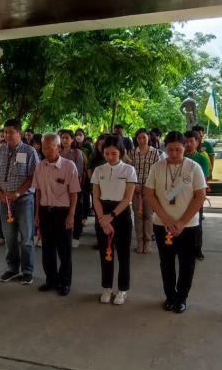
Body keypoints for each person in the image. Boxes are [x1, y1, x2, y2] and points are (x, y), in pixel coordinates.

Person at [144, 131, 207, 313]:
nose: (173, 154)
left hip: (188, 226)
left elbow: (200, 196)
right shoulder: (157, 167)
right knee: (166, 262)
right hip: (162, 224)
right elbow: (149, 193)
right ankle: (170, 296)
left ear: (184, 147)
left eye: (178, 150)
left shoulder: (194, 167)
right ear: (165, 148)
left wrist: (181, 223)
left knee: (187, 263)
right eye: (170, 150)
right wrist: (165, 219)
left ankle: (182, 297)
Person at [0, 118, 40, 284]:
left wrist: (17, 193)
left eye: (11, 132)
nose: (7, 135)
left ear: (19, 133)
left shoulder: (29, 151)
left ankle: (27, 271)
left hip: (24, 200)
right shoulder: (0, 151)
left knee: (26, 238)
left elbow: (33, 177)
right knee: (9, 237)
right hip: (4, 201)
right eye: (5, 132)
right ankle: (12, 268)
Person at [91, 135, 137, 305]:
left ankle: (122, 290)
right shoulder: (98, 170)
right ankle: (107, 288)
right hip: (102, 212)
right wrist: (102, 219)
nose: (110, 157)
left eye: (114, 153)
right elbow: (95, 198)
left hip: (121, 213)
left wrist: (111, 217)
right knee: (106, 253)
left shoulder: (128, 170)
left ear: (121, 152)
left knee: (123, 255)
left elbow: (127, 199)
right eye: (107, 153)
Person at [33, 133, 80, 295]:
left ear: (58, 148)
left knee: (64, 251)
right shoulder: (40, 166)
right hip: (45, 212)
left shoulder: (69, 166)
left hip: (62, 213)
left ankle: (65, 282)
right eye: (43, 147)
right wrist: (37, 214)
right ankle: (51, 280)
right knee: (47, 250)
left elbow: (74, 193)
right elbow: (38, 191)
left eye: (49, 147)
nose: (45, 151)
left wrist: (71, 215)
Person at [130, 128, 161, 254]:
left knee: (148, 216)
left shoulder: (155, 153)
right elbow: (130, 170)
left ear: (148, 138)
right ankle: (140, 242)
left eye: (144, 137)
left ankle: (148, 243)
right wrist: (135, 184)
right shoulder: (132, 152)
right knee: (138, 216)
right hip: (135, 189)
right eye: (139, 138)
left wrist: (150, 187)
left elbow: (158, 172)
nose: (141, 140)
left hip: (149, 190)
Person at [183, 131, 210, 259]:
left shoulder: (202, 159)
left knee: (196, 224)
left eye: (191, 141)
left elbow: (202, 181)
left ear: (197, 142)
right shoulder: (179, 156)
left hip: (196, 197)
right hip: (180, 196)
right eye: (186, 141)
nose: (188, 144)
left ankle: (197, 249)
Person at [58, 129, 86, 248]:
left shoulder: (77, 153)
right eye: (62, 138)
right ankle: (63, 235)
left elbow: (78, 172)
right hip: (59, 188)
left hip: (74, 187)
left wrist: (65, 181)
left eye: (67, 138)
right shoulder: (57, 152)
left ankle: (76, 236)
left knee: (76, 211)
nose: (64, 140)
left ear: (72, 139)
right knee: (62, 212)